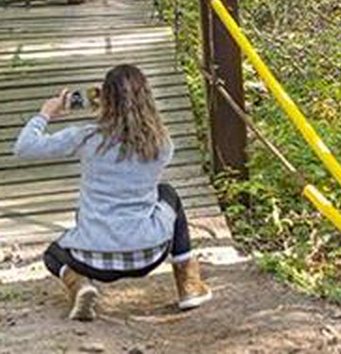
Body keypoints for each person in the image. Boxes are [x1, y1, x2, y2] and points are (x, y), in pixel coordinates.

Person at [13, 64, 212, 321]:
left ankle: (79, 284)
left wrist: (46, 113)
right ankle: (189, 285)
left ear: (106, 99)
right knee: (168, 194)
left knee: (53, 254)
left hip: (94, 259)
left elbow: (24, 148)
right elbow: (136, 138)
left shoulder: (86, 137)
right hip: (150, 253)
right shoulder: (162, 143)